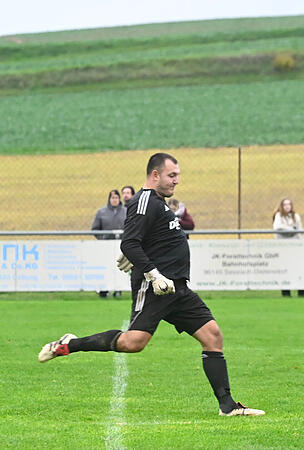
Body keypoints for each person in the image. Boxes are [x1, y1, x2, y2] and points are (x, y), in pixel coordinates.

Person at [38, 153, 264, 417]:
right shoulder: (144, 200)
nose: (176, 181)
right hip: (156, 287)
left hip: (177, 288)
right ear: (155, 175)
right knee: (133, 343)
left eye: (177, 176)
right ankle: (70, 344)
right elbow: (129, 242)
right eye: (172, 175)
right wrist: (153, 274)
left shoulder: (159, 203)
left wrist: (144, 256)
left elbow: (141, 240)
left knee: (213, 336)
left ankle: (228, 406)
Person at [91, 189, 126, 298]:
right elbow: (95, 229)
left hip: (120, 245)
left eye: (116, 198)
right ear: (109, 199)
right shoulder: (101, 212)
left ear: (119, 199)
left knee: (119, 268)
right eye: (112, 198)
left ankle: (119, 289)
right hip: (105, 246)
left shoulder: (126, 211)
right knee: (105, 268)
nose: (114, 200)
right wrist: (102, 238)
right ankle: (103, 289)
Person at [273, 198, 304, 297]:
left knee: (300, 270)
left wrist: (301, 243)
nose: (287, 206)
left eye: (289, 204)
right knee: (285, 270)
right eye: (285, 204)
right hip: (284, 248)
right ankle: (286, 293)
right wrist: (292, 229)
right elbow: (278, 228)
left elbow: (300, 231)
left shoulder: (296, 216)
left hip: (296, 247)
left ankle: (302, 293)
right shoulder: (278, 216)